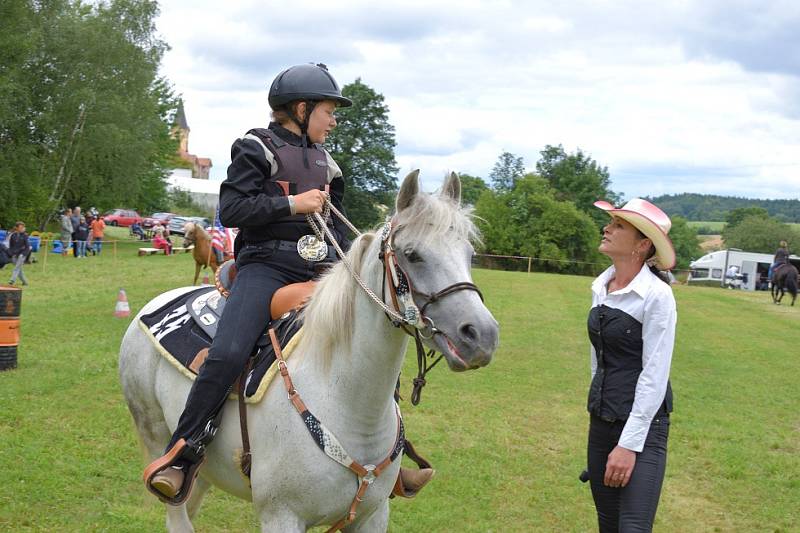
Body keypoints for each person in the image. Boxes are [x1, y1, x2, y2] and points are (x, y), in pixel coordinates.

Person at [585, 198, 677, 533]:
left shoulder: (656, 296)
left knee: (633, 528)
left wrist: (628, 444)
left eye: (618, 225)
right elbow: (599, 361)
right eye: (610, 222)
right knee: (608, 526)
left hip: (644, 427)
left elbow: (655, 374)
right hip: (601, 422)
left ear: (642, 244)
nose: (607, 228)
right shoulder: (601, 286)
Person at [8, 222, 31, 286]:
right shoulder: (13, 235)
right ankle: (25, 282)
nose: (23, 228)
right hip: (14, 254)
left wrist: (23, 254)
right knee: (19, 270)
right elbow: (11, 246)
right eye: (21, 227)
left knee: (17, 267)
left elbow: (27, 247)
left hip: (22, 255)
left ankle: (12, 280)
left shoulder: (25, 235)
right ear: (16, 228)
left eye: (23, 227)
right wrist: (11, 253)